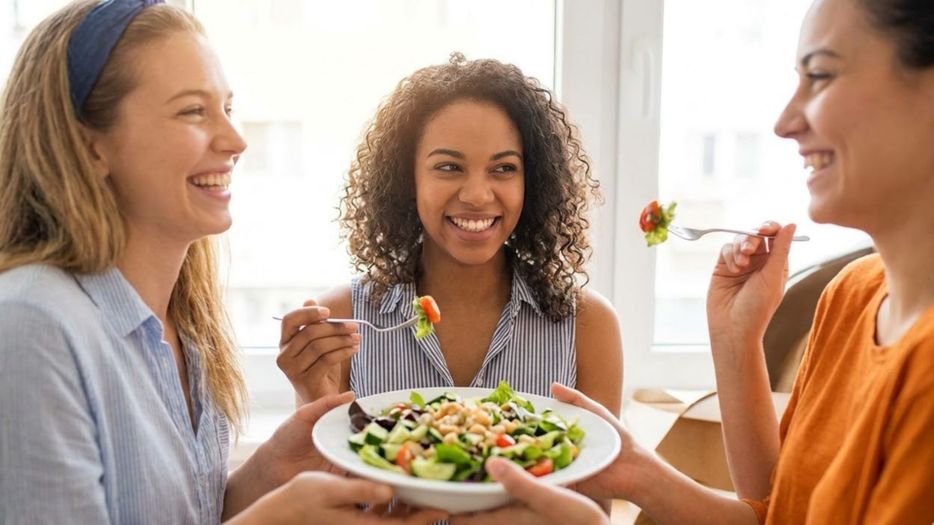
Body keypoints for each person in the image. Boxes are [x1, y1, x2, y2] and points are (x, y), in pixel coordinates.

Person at [456, 0, 934, 522]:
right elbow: (782, 511)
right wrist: (732, 343)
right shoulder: (852, 294)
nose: (785, 122)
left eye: (820, 75)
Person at [0, 2, 445, 524]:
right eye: (193, 111)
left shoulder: (186, 328)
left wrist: (271, 471)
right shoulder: (32, 326)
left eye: (227, 109)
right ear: (90, 145)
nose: (235, 142)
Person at [277, 53, 623, 420]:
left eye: (504, 168)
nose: (477, 195)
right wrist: (314, 395)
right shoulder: (343, 319)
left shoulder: (588, 326)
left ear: (532, 183)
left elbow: (598, 474)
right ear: (407, 180)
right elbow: (321, 475)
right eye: (448, 167)